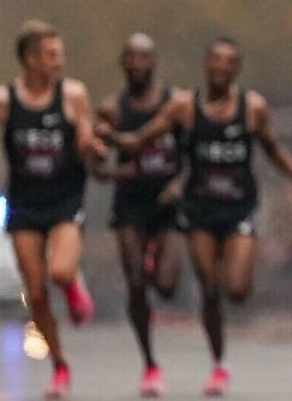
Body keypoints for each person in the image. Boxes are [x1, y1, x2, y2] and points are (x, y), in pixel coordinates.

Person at [112, 37, 292, 397]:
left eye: (229, 62)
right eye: (215, 61)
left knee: (237, 290)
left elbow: (273, 149)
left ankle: (230, 276)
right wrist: (108, 139)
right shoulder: (184, 107)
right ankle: (219, 364)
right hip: (199, 210)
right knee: (209, 289)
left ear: (237, 69)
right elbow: (141, 140)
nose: (221, 68)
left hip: (239, 206)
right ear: (206, 65)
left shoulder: (252, 107)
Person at [0, 20, 105, 399]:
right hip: (25, 205)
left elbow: (85, 139)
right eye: (51, 55)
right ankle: (59, 366)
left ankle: (72, 283)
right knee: (36, 294)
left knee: (59, 271)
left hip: (64, 200)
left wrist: (94, 149)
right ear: (29, 58)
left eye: (60, 54)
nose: (58, 62)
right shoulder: (4, 101)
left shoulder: (73, 95)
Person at [95, 34, 185, 397]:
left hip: (168, 203)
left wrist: (180, 183)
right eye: (130, 58)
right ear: (122, 63)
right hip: (130, 204)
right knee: (135, 282)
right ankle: (149, 364)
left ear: (155, 61)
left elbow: (194, 153)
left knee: (165, 287)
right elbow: (96, 167)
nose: (137, 64)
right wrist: (116, 171)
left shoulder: (176, 104)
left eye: (144, 58)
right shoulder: (111, 109)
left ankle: (156, 265)